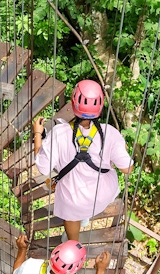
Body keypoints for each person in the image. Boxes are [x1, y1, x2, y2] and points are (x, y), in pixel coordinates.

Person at [32, 79, 134, 241]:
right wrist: (119, 149)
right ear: (100, 107)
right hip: (102, 195)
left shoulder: (60, 133)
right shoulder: (110, 133)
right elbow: (127, 169)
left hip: (74, 200)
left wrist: (38, 134)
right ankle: (85, 215)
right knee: (84, 205)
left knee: (73, 213)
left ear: (74, 103)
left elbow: (43, 167)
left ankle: (73, 243)